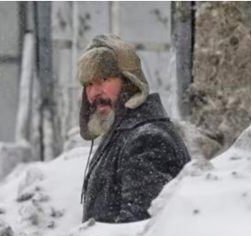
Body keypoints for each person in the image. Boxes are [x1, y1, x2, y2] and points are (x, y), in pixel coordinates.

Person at [78, 34, 191, 223]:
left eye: (104, 79)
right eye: (89, 83)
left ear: (130, 82)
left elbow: (138, 228)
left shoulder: (147, 140)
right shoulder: (122, 134)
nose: (95, 92)